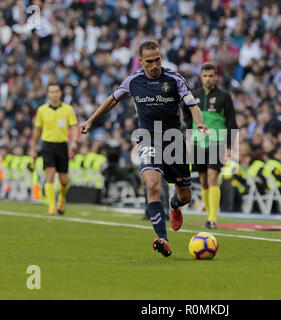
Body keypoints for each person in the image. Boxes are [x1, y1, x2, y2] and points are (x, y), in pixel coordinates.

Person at [80, 40, 208, 257]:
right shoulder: (133, 81)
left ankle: (174, 206)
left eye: (157, 59)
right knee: (152, 185)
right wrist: (91, 120)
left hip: (173, 141)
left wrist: (200, 123)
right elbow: (112, 100)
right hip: (148, 139)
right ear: (140, 61)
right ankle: (162, 239)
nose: (155, 64)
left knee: (185, 196)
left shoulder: (174, 79)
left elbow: (192, 105)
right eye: (150, 61)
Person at [184, 62, 238, 229]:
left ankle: (212, 218)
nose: (208, 79)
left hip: (217, 141)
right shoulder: (193, 96)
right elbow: (187, 115)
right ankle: (208, 216)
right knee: (203, 180)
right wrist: (189, 134)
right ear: (201, 77)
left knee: (213, 177)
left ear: (216, 77)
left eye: (211, 76)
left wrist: (229, 145)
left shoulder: (224, 96)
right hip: (198, 142)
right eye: (205, 76)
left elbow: (232, 122)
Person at [29, 83, 79, 215]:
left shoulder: (68, 109)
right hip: (47, 145)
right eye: (51, 92)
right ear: (48, 94)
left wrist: (74, 142)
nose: (54, 94)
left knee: (63, 180)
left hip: (62, 145)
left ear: (60, 93)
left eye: (56, 91)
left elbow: (74, 127)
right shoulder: (42, 110)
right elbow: (37, 130)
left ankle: (61, 199)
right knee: (50, 174)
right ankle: (51, 207)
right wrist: (33, 147)